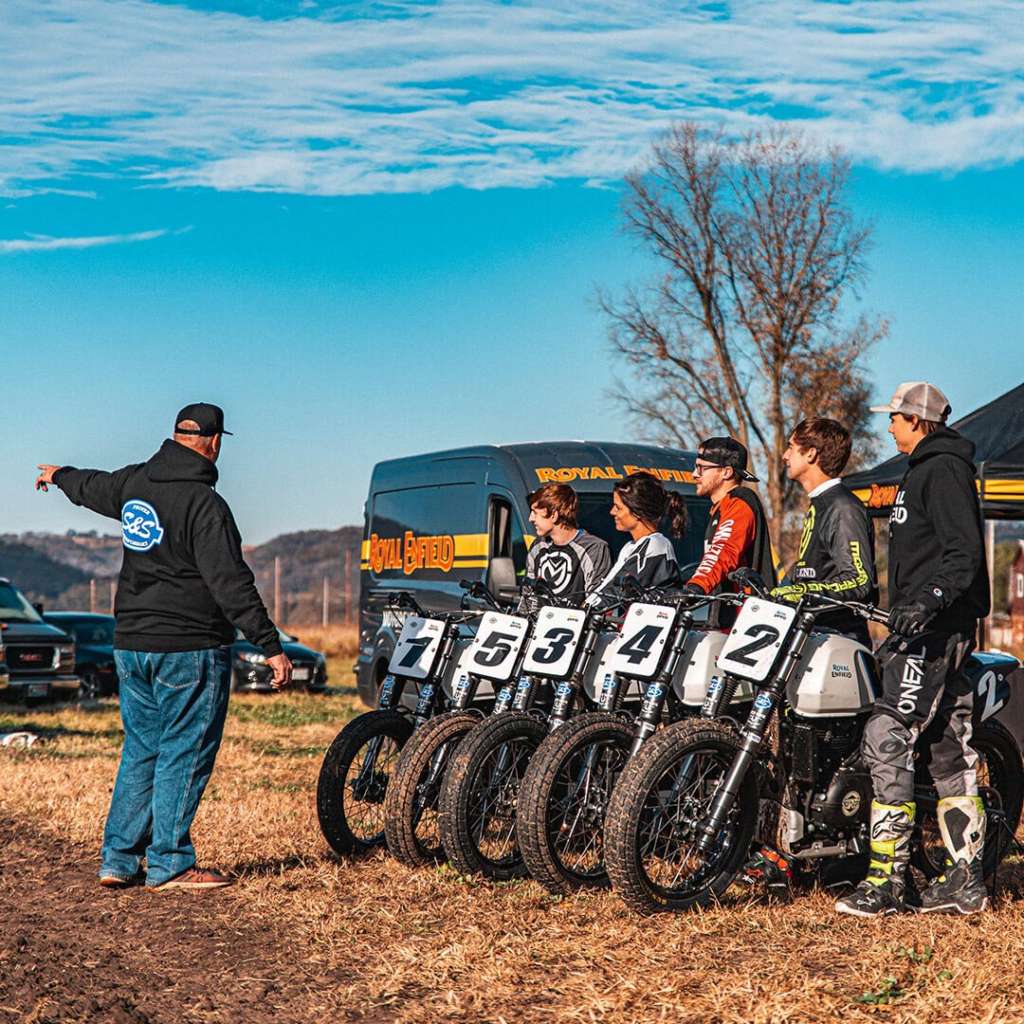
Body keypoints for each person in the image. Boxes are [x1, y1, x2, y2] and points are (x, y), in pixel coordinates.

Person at [36, 403, 292, 893]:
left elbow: (92, 486)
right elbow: (231, 583)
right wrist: (269, 644)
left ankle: (118, 859)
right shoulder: (205, 505)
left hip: (132, 644)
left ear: (175, 436)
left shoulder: (136, 483)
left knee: (142, 749)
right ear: (214, 442)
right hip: (188, 647)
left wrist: (58, 475)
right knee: (184, 750)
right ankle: (170, 861)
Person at [836, 382, 990, 917]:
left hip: (934, 630)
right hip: (928, 627)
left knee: (887, 732)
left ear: (917, 420)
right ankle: (964, 881)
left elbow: (963, 552)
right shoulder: (920, 469)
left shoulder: (942, 469)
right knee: (947, 746)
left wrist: (928, 601)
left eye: (895, 418)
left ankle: (887, 880)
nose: (888, 427)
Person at [772, 418, 878, 646]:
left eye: (791, 447)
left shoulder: (843, 507)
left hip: (839, 640)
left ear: (811, 454)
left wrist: (805, 591)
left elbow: (859, 580)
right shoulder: (821, 502)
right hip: (812, 636)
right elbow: (813, 568)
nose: (785, 456)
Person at [682, 437, 776, 628]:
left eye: (701, 468)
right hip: (726, 620)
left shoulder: (740, 501)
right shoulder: (720, 508)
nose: (694, 474)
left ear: (726, 472)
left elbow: (725, 551)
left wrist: (695, 587)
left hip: (745, 623)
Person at [587, 472, 686, 603]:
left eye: (618, 507)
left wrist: (591, 606)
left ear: (637, 512)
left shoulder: (656, 545)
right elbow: (607, 586)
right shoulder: (631, 546)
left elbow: (615, 593)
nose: (612, 512)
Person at [521, 483, 611, 609]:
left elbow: (596, 602)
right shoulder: (538, 546)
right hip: (540, 621)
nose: (530, 518)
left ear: (554, 515)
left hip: (575, 621)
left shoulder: (593, 548)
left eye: (535, 513)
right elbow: (527, 599)